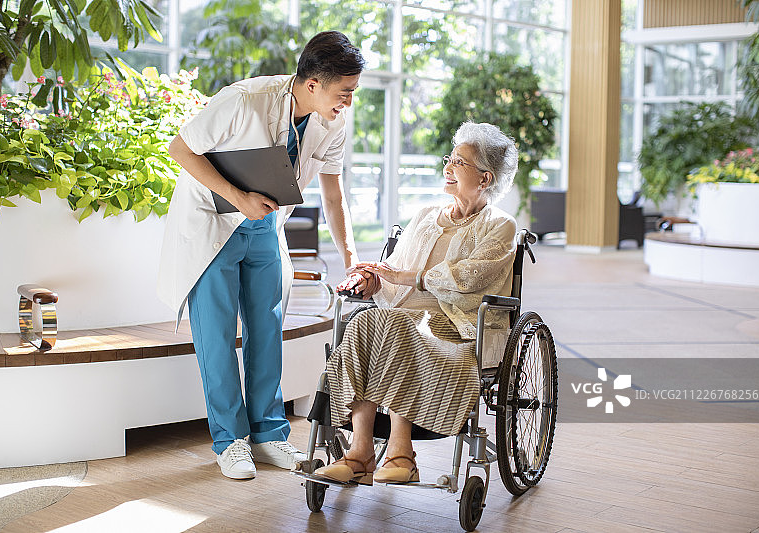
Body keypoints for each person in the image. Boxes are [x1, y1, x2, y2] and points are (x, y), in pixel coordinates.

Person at [157, 31, 378, 480]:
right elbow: (180, 149)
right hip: (212, 224)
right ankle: (230, 441)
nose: (348, 103)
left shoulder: (331, 120)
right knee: (217, 337)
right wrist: (237, 196)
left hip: (264, 227)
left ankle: (269, 434)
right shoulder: (244, 99)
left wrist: (352, 257)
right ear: (313, 84)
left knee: (266, 331)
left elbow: (334, 197)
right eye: (344, 93)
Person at [314, 122, 518, 485]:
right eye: (449, 159)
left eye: (459, 162)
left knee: (396, 326)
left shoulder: (500, 226)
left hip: (456, 330)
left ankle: (401, 453)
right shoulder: (425, 215)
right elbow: (394, 270)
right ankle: (360, 453)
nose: (448, 168)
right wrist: (373, 278)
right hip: (402, 322)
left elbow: (469, 278)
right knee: (362, 322)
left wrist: (408, 278)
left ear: (485, 179)